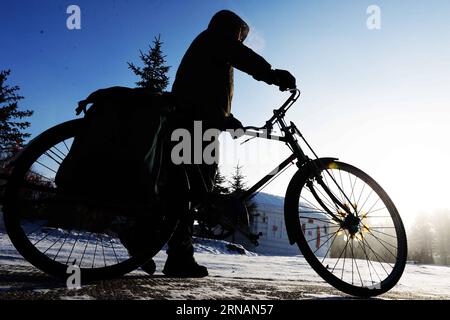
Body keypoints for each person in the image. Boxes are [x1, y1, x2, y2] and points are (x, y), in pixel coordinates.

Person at [149, 9, 296, 277]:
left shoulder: (210, 45)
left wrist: (228, 119)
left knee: (190, 190)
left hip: (199, 121)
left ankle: (169, 251)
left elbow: (208, 92)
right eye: (240, 35)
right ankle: (162, 247)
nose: (241, 41)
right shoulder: (216, 38)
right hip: (192, 124)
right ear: (232, 28)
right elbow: (241, 57)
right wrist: (273, 75)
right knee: (188, 191)